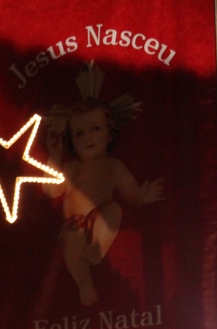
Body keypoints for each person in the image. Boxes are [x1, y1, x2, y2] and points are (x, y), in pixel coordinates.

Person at [43, 85, 163, 306]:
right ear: (71, 139)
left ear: (110, 133)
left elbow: (131, 196)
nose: (88, 137)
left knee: (113, 210)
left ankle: (97, 248)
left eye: (95, 129)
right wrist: (55, 157)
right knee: (72, 244)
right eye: (80, 133)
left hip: (100, 218)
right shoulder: (70, 168)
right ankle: (84, 285)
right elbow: (51, 190)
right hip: (73, 226)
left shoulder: (113, 166)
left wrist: (143, 196)